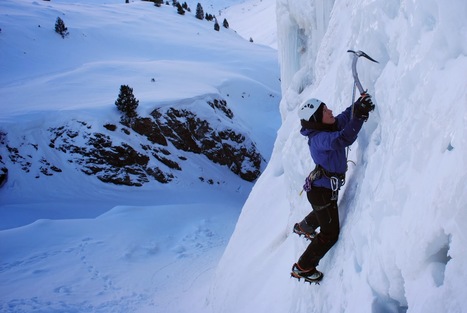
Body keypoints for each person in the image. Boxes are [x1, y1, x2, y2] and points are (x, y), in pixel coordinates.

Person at [291, 94, 375, 283]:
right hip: (321, 193)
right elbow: (343, 139)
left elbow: (344, 118)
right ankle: (303, 267)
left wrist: (357, 106)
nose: (330, 111)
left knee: (326, 211)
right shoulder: (320, 138)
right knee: (329, 234)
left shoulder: (325, 127)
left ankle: (304, 227)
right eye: (324, 111)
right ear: (316, 119)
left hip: (321, 190)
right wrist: (360, 116)